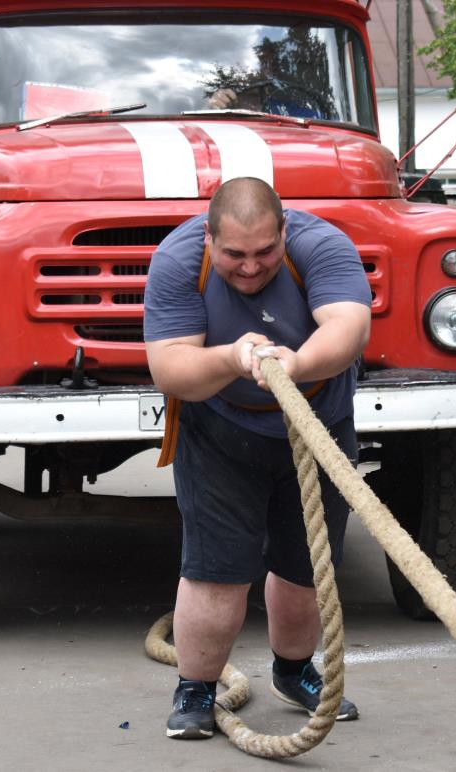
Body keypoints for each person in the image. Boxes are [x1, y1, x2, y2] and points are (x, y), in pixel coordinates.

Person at [143, 177, 372, 739]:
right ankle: (195, 689)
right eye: (234, 255)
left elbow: (349, 326)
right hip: (220, 426)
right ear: (208, 238)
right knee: (215, 573)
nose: (250, 267)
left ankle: (293, 673)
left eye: (265, 252)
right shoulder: (176, 260)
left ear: (285, 232)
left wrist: (293, 366)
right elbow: (169, 367)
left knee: (306, 567)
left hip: (317, 421)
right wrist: (232, 356)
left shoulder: (323, 245)